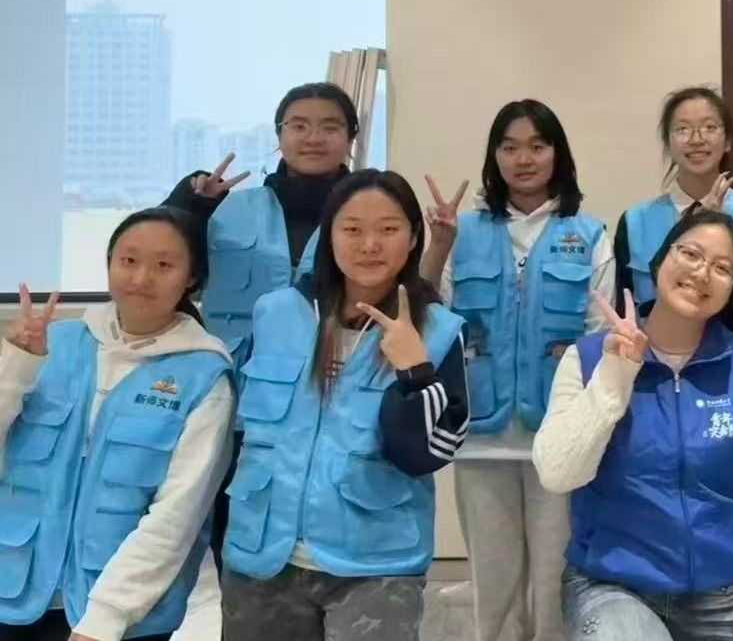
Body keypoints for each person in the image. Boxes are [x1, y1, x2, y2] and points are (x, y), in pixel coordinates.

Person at [219, 170, 470, 641]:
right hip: (261, 555)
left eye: (388, 229)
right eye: (352, 229)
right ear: (328, 236)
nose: (369, 245)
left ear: (413, 238)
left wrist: (416, 372)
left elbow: (427, 455)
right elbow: (236, 434)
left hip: (376, 564)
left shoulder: (438, 331)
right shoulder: (276, 313)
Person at [533, 210, 733, 641]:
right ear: (660, 260)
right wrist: (615, 375)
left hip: (725, 593)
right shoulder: (589, 357)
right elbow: (557, 473)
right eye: (690, 254)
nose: (701, 273)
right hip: (615, 587)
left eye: (722, 268)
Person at [417, 99, 615, 641]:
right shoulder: (464, 231)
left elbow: (599, 336)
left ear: (557, 154)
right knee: (493, 580)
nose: (523, 159)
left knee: (555, 580)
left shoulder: (588, 234)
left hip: (558, 437)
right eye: (509, 147)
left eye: (536, 146)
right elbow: (428, 315)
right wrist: (438, 245)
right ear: (494, 156)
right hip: (482, 438)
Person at [0, 209, 234, 641]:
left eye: (163, 265)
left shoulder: (204, 375)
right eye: (128, 260)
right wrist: (14, 367)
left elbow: (177, 515)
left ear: (191, 278)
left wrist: (105, 619)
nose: (142, 277)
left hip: (119, 618)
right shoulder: (53, 343)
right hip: (15, 596)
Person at [164, 81, 361, 357]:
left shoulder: (368, 215)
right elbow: (158, 266)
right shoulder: (229, 209)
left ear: (351, 137)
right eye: (299, 126)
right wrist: (192, 205)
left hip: (332, 367)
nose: (314, 138)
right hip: (231, 368)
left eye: (330, 127)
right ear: (279, 135)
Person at [615, 86, 733, 339]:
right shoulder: (635, 221)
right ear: (668, 143)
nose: (696, 139)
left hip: (731, 358)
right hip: (649, 356)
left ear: (728, 141)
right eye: (682, 129)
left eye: (709, 127)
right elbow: (624, 308)